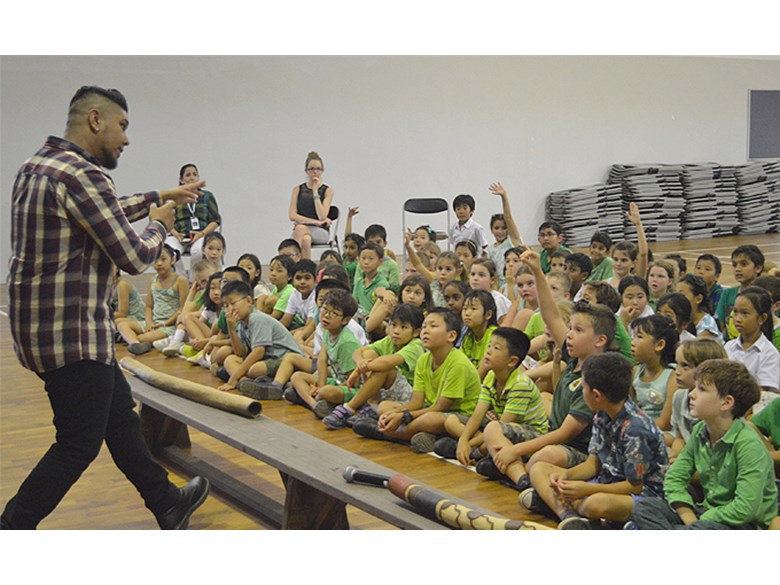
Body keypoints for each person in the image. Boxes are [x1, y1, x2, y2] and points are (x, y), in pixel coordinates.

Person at [3, 85, 209, 530]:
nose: (126, 139)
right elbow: (134, 257)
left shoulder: (36, 166)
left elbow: (103, 211)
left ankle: (166, 502)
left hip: (40, 331)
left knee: (118, 415)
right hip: (73, 334)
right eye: (122, 126)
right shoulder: (85, 176)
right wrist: (158, 225)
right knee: (78, 442)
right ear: (96, 120)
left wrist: (160, 195)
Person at [524, 352, 668, 529]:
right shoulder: (602, 413)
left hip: (643, 495)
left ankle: (558, 503)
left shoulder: (635, 429)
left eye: (583, 387)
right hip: (606, 481)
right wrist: (566, 476)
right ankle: (568, 514)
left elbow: (635, 487)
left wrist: (587, 490)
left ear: (597, 395)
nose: (581, 391)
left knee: (596, 503)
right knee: (540, 468)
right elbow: (593, 463)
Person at [630, 359, 777, 530]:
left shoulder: (748, 444)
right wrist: (689, 518)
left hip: (740, 524)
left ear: (726, 403)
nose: (691, 394)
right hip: (704, 513)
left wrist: (701, 521)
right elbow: (674, 478)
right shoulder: (701, 430)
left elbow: (745, 509)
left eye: (701, 389)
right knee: (645, 508)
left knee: (704, 529)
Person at [353, 308, 482, 454]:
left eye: (433, 326)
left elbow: (441, 408)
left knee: (429, 419)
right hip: (431, 408)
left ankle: (388, 434)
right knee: (385, 407)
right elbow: (416, 402)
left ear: (451, 336)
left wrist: (404, 416)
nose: (426, 330)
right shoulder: (424, 360)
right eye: (425, 326)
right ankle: (424, 436)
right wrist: (397, 414)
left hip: (460, 416)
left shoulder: (458, 363)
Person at [434, 328, 549, 475]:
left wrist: (467, 443)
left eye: (496, 348)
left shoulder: (521, 384)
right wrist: (464, 440)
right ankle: (475, 452)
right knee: (451, 421)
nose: (488, 351)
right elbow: (478, 414)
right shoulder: (490, 376)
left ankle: (475, 452)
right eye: (489, 346)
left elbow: (503, 427)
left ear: (512, 361)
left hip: (529, 435)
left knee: (490, 437)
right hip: (498, 429)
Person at [323, 304, 425, 430]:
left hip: (410, 397)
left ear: (416, 332)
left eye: (403, 327)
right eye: (393, 325)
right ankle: (370, 407)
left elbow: (387, 363)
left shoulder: (416, 346)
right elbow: (358, 352)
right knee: (368, 354)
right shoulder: (390, 340)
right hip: (388, 393)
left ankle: (349, 408)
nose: (396, 331)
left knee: (383, 369)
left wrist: (359, 370)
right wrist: (360, 363)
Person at [284, 289, 362, 418]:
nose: (326, 316)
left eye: (334, 313)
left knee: (326, 392)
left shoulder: (346, 343)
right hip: (338, 381)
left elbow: (353, 380)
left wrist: (322, 389)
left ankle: (312, 398)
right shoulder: (327, 329)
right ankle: (315, 405)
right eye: (325, 310)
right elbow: (322, 360)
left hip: (352, 388)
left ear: (345, 320)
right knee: (297, 377)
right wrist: (321, 384)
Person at [218, 280, 304, 393]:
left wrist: (233, 378)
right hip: (268, 359)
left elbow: (258, 352)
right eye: (226, 306)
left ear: (249, 301)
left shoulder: (257, 318)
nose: (229, 309)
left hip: (283, 359)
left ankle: (247, 381)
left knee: (255, 369)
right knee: (230, 359)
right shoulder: (241, 323)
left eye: (233, 303)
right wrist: (232, 330)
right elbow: (240, 352)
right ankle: (245, 383)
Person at [117, 243, 189, 355]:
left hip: (169, 326)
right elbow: (149, 306)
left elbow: (182, 309)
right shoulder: (153, 280)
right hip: (154, 322)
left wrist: (165, 323)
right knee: (122, 324)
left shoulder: (180, 281)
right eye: (155, 261)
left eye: (163, 259)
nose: (159, 264)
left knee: (142, 337)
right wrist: (149, 322)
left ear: (173, 260)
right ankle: (136, 344)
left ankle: (143, 341)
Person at [667, 339, 728, 462]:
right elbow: (679, 438)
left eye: (685, 366)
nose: (677, 372)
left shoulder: (719, 405)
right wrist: (674, 458)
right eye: (676, 364)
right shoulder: (679, 397)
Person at [164, 162, 221, 270]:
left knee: (198, 252)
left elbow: (215, 220)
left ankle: (194, 280)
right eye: (188, 175)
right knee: (170, 251)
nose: (192, 178)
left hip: (201, 234)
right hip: (178, 235)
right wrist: (176, 234)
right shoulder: (174, 197)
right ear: (181, 180)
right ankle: (181, 281)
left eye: (195, 175)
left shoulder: (207, 196)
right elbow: (165, 220)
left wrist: (201, 233)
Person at [724, 286, 780, 393]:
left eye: (744, 313)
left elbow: (762, 392)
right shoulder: (728, 347)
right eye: (735, 312)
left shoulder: (770, 354)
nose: (737, 319)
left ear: (762, 318)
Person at [630, 314, 679, 431]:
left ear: (659, 345)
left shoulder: (673, 376)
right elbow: (626, 407)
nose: (632, 342)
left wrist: (634, 427)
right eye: (633, 337)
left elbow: (665, 423)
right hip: (637, 426)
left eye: (639, 337)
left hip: (662, 432)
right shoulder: (635, 371)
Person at [288, 151, 334, 260]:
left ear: (322, 171)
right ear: (306, 171)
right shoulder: (297, 189)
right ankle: (306, 269)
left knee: (299, 229)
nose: (315, 172)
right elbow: (292, 215)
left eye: (318, 169)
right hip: (304, 229)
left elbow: (322, 216)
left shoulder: (328, 190)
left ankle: (291, 263)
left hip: (320, 232)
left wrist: (315, 192)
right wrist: (314, 222)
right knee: (306, 240)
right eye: (311, 169)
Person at [716, 245, 765, 341]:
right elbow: (720, 325)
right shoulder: (727, 293)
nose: (737, 269)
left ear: (758, 268)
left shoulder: (764, 296)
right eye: (734, 265)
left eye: (743, 264)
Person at [486, 182, 524, 289]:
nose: (500, 231)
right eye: (496, 228)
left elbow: (508, 217)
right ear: (491, 230)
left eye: (504, 228)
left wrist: (504, 197)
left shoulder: (512, 241)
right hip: (498, 285)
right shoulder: (489, 250)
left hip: (515, 282)